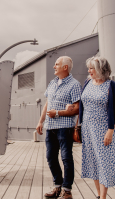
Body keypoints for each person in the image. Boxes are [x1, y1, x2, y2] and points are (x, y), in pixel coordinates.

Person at [36, 56, 82, 199]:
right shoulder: (52, 83)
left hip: (65, 128)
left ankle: (67, 191)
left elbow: (77, 109)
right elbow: (47, 104)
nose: (54, 66)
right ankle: (58, 187)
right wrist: (40, 121)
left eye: (57, 64)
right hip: (50, 127)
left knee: (66, 158)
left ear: (65, 67)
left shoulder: (74, 85)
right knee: (50, 157)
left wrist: (57, 113)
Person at [78, 56, 115, 199]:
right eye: (89, 68)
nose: (89, 70)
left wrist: (110, 130)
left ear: (100, 69)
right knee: (93, 162)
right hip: (87, 128)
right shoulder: (87, 82)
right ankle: (98, 195)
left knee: (105, 163)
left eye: (92, 68)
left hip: (103, 128)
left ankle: (103, 197)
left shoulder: (111, 85)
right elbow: (83, 106)